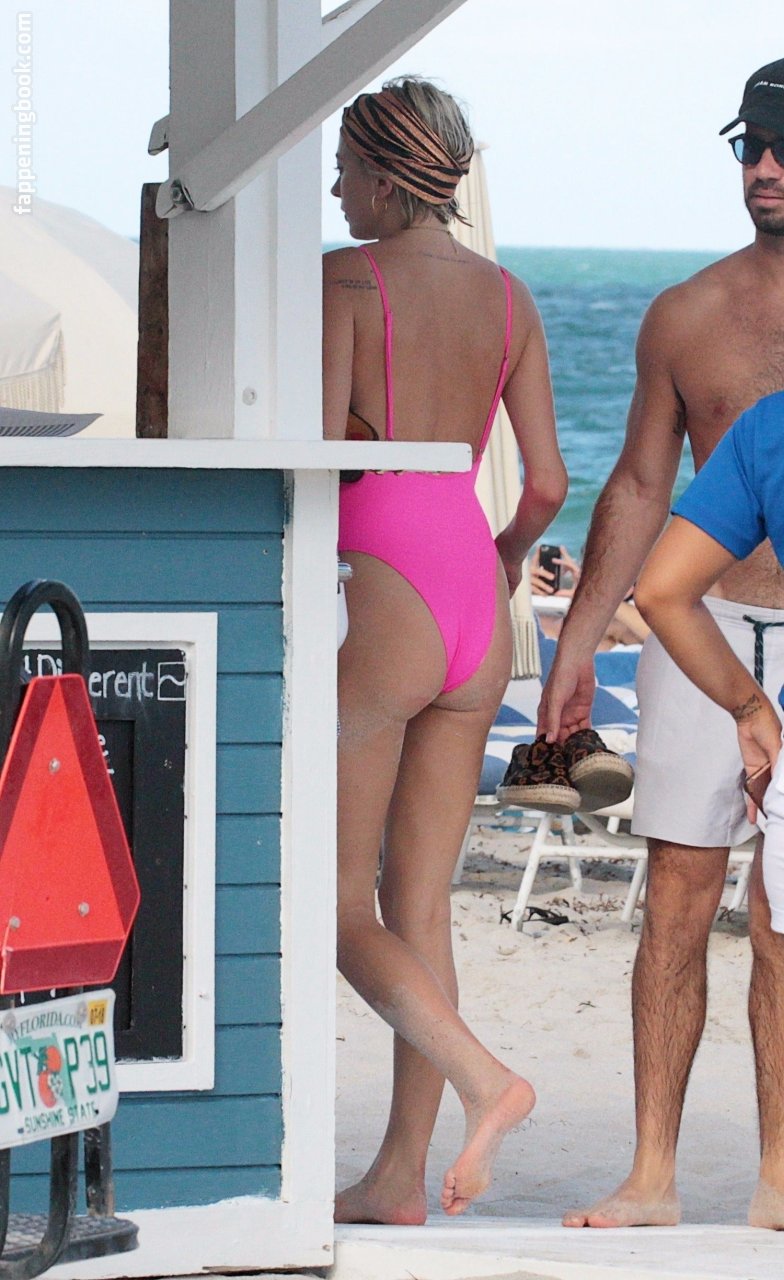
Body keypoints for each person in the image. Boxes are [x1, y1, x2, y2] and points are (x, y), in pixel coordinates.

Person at [537, 58, 784, 1230]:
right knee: (676, 901)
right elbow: (638, 485)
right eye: (749, 146)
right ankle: (650, 1172)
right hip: (702, 632)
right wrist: (578, 642)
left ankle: (778, 1178)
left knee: (782, 924)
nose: (764, 167)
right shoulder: (687, 314)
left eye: (782, 145)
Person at [323, 78, 567, 1223]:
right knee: (418, 906)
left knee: (336, 903)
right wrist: (505, 560)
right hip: (471, 579)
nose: (335, 190)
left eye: (342, 169)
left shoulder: (346, 279)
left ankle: (484, 1079)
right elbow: (548, 483)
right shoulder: (509, 296)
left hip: (386, 582)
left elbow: (313, 459)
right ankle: (398, 1176)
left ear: (383, 177)